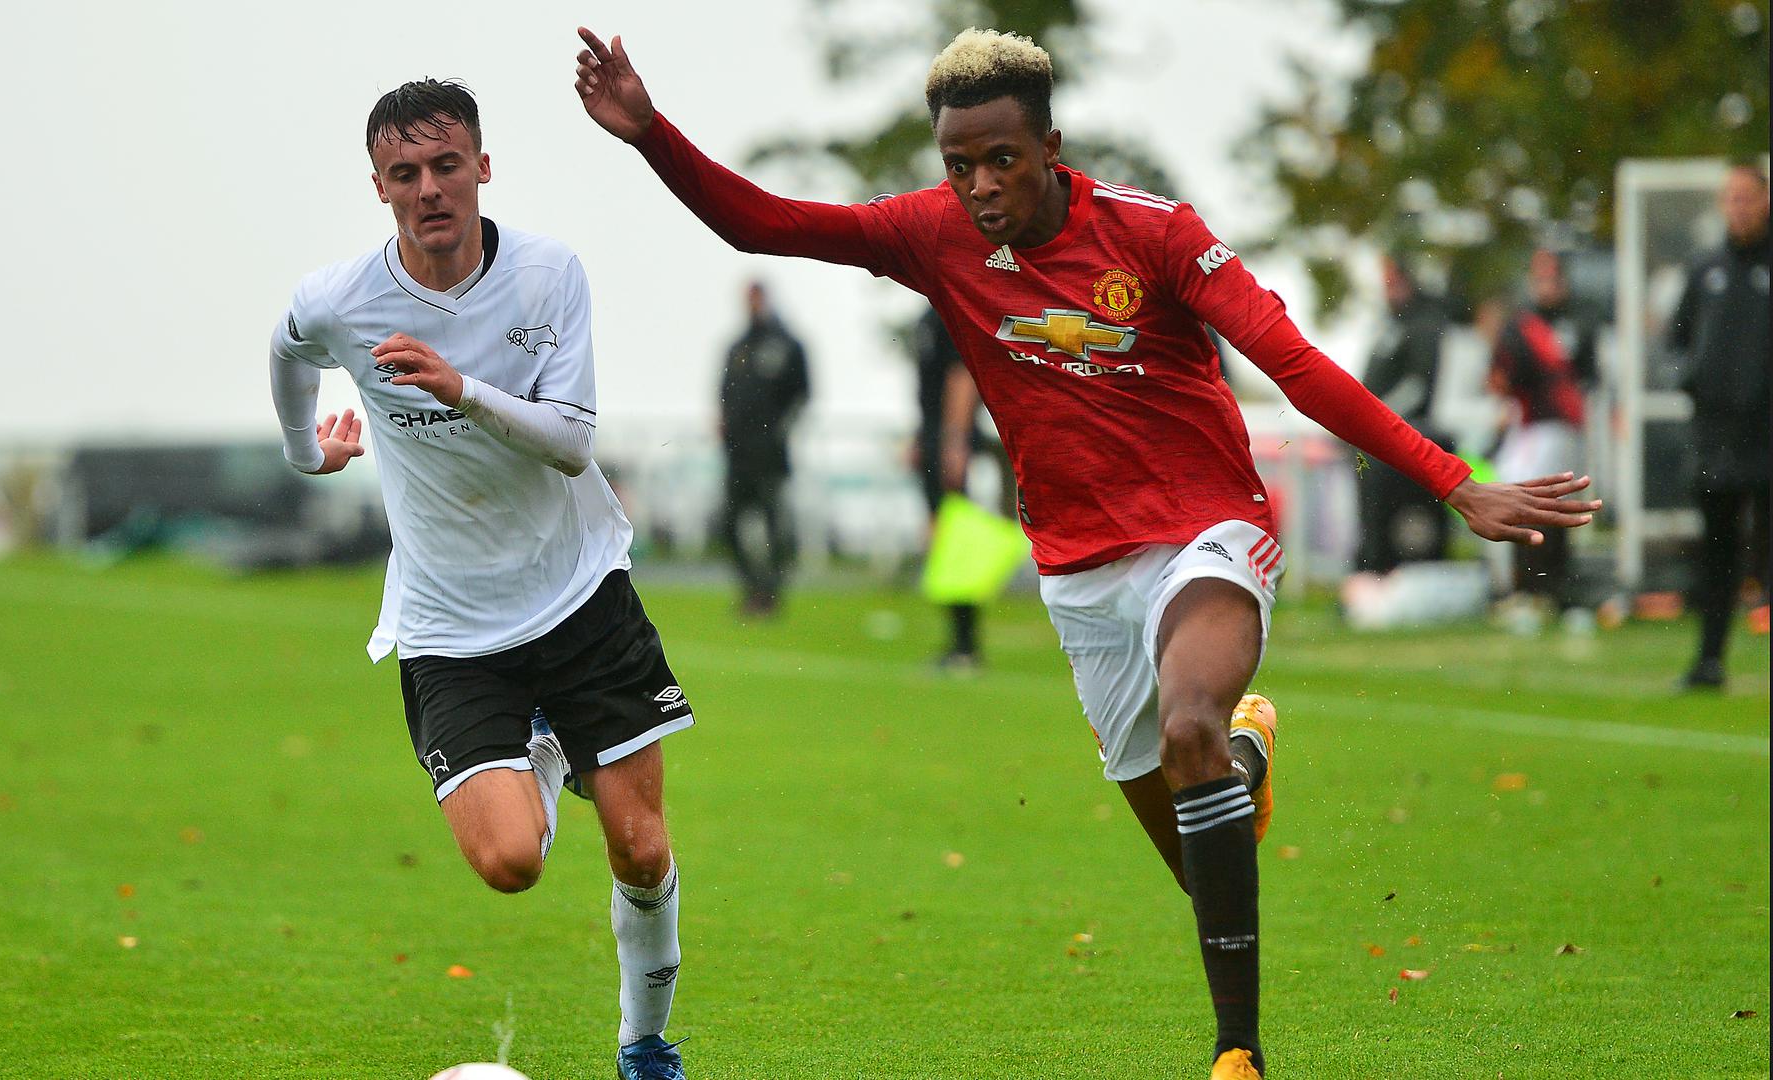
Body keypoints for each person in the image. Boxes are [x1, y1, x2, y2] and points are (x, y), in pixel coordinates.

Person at [573, 27, 1598, 1079]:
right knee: (1217, 857)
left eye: (1000, 160)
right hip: (1078, 570)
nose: (978, 185)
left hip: (1207, 530)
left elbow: (1292, 363)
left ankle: (1237, 1051)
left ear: (1051, 146)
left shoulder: (1154, 235)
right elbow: (768, 225)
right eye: (958, 164)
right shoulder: (932, 234)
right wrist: (652, 135)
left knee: (1188, 717)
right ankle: (1246, 757)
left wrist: (1451, 477)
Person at [268, 79, 692, 1080]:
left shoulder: (549, 278)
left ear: (483, 167)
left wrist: (462, 388)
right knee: (510, 865)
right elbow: (287, 348)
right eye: (405, 174)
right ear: (378, 187)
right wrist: (304, 453)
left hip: (581, 595)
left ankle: (645, 1046)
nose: (429, 189)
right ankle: (546, 750)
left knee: (638, 849)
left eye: (446, 165)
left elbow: (574, 445)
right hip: (451, 626)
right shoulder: (342, 300)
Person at [1671, 163, 1770, 689]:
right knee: (1717, 552)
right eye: (1732, 199)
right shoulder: (1703, 268)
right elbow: (1677, 341)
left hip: (1767, 434)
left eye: (1749, 198)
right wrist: (1693, 380)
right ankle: (1709, 661)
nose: (1740, 207)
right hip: (1716, 439)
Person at [1489, 249, 1598, 619]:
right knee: (1525, 499)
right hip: (1531, 426)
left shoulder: (1579, 321)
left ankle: (1549, 587)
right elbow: (1500, 377)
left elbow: (1589, 377)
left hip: (1566, 426)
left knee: (1554, 505)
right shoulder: (1520, 325)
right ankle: (1522, 586)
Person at [912, 304, 1000, 669]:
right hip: (936, 439)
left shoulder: (947, 310)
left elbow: (961, 375)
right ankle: (958, 641)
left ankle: (966, 644)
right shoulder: (925, 316)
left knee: (959, 544)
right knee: (944, 542)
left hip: (952, 443)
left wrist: (955, 440)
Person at [719, 281, 809, 616]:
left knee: (775, 523)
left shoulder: (787, 344)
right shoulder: (737, 347)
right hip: (737, 453)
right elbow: (725, 392)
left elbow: (802, 394)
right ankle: (752, 586)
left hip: (770, 453)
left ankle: (771, 592)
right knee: (729, 523)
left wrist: (780, 431)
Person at [1356, 257, 1451, 573]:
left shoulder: (1423, 325)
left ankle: (1390, 569)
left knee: (1407, 519)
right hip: (1374, 439)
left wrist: (1376, 418)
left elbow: (1417, 386)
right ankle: (1370, 566)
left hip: (1406, 435)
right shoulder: (1387, 325)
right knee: (1370, 514)